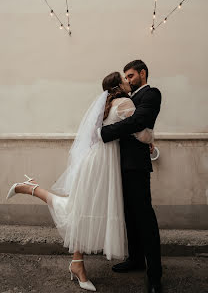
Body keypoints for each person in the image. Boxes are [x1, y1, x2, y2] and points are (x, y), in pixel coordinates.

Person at [6, 71, 154, 292]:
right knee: (83, 209)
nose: (127, 82)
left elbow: (95, 135)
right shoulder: (124, 103)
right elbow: (142, 135)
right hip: (103, 163)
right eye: (124, 80)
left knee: (84, 209)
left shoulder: (105, 105)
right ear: (118, 86)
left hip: (95, 160)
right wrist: (151, 139)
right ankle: (30, 189)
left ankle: (77, 262)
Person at [99, 60, 163, 293]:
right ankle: (135, 259)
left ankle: (154, 276)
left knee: (145, 218)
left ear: (142, 73)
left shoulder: (151, 94)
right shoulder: (125, 98)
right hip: (119, 164)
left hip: (136, 165)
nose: (127, 79)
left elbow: (138, 121)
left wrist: (103, 133)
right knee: (129, 216)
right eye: (125, 76)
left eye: (131, 75)